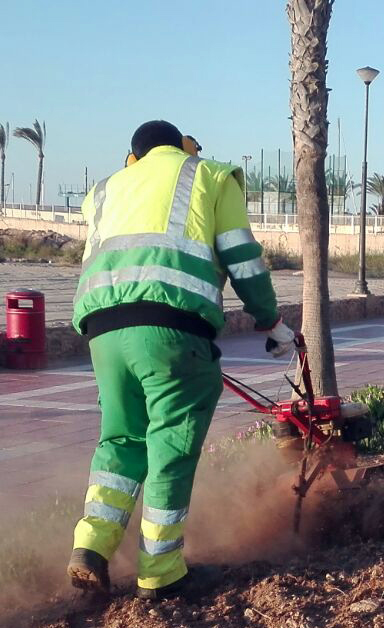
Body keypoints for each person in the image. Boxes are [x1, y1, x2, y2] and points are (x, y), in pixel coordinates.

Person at [67, 120, 293, 602]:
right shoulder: (209, 176)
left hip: (102, 332)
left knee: (121, 439)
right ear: (183, 147)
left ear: (135, 157)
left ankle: (91, 546)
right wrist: (270, 323)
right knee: (170, 444)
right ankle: (162, 572)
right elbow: (243, 260)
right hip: (172, 329)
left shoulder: (106, 189)